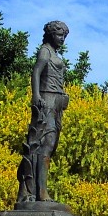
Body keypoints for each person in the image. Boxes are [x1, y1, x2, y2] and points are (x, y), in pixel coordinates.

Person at [17, 21, 70, 204]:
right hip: (46, 100)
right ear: (50, 35)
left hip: (56, 103)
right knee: (44, 144)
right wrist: (36, 95)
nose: (62, 39)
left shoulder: (54, 53)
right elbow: (36, 72)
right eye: (58, 35)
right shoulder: (45, 51)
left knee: (51, 145)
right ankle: (40, 193)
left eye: (64, 35)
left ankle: (40, 191)